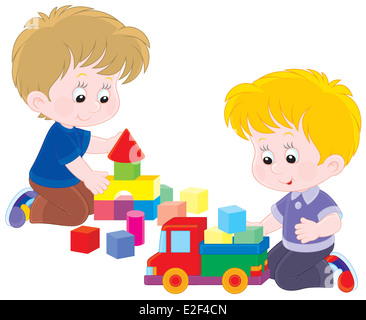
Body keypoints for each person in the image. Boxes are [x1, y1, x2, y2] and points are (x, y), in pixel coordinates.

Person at [6, 5, 150, 227]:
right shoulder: (60, 135)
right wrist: (89, 176)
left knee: (94, 203)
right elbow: (74, 161)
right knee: (76, 215)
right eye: (80, 95)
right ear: (40, 101)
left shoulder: (73, 130)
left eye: (104, 93)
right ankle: (31, 207)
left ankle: (45, 203)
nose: (95, 106)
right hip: (48, 181)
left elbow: (89, 142)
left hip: (67, 180)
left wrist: (110, 144)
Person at [224, 69, 360, 292]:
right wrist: (259, 227)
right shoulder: (290, 198)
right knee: (266, 271)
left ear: (331, 164)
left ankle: (329, 273)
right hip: (293, 245)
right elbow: (276, 218)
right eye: (266, 157)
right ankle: (316, 268)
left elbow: (335, 221)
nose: (276, 167)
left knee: (286, 280)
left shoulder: (319, 199)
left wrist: (317, 229)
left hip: (316, 246)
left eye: (290, 157)